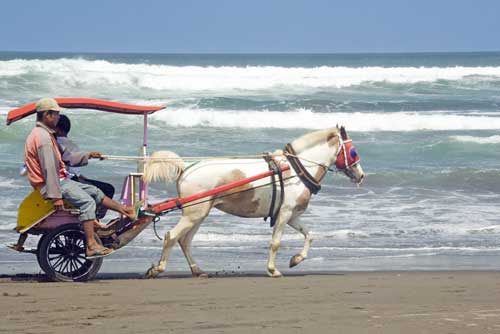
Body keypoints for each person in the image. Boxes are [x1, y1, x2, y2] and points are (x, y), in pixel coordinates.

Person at [24, 97, 136, 258]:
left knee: (95, 192)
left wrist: (88, 155)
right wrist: (55, 196)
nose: (57, 117)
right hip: (54, 184)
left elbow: (67, 158)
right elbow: (49, 169)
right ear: (46, 115)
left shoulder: (45, 135)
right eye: (55, 114)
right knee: (87, 202)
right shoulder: (42, 138)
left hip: (62, 181)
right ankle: (91, 245)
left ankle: (125, 210)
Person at [56, 114, 115, 218]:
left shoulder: (53, 143)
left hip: (64, 179)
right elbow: (72, 168)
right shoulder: (68, 144)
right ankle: (96, 218)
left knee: (97, 187)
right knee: (108, 189)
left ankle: (95, 217)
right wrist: (89, 155)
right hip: (68, 181)